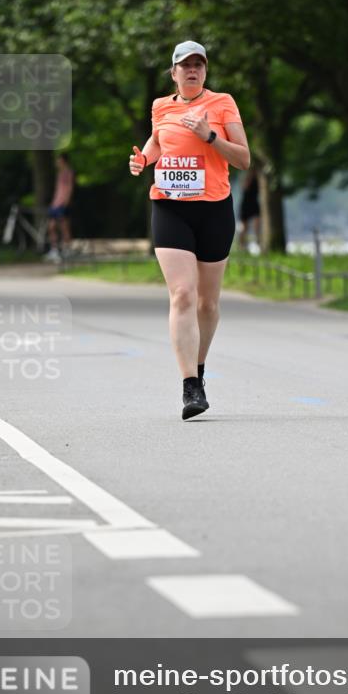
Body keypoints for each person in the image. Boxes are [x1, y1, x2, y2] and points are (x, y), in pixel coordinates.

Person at [129, 41, 250, 419]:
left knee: (207, 304)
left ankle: (198, 368)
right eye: (186, 65)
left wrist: (209, 136)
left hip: (214, 209)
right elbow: (157, 142)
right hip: (169, 207)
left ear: (205, 72)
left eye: (199, 65)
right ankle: (189, 387)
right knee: (182, 294)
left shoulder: (222, 103)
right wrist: (144, 158)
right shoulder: (160, 106)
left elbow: (244, 158)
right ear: (174, 72)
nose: (192, 71)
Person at [44, 152, 74, 262]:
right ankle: (54, 250)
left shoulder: (68, 172)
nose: (57, 162)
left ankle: (68, 250)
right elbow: (58, 190)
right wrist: (53, 202)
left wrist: (65, 202)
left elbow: (69, 188)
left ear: (63, 160)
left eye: (58, 160)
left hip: (62, 204)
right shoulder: (59, 174)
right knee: (51, 227)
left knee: (64, 228)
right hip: (55, 204)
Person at [238, 169, 261, 250]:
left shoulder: (259, 179)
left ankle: (258, 242)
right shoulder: (246, 176)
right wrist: (249, 177)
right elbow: (245, 187)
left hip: (254, 202)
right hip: (246, 203)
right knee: (245, 227)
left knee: (257, 224)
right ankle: (242, 245)